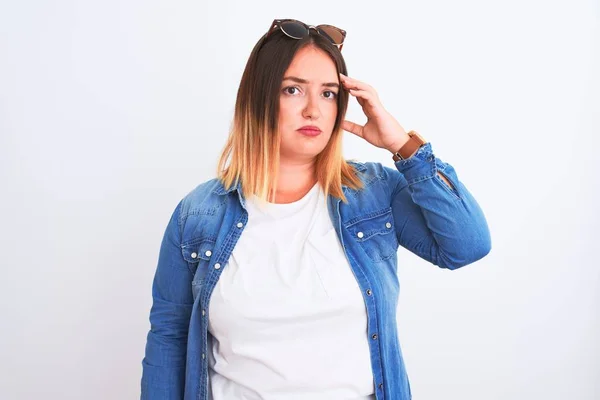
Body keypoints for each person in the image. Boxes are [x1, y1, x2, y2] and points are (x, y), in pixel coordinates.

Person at [140, 18, 491, 400]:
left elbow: (467, 245)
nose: (313, 110)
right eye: (293, 90)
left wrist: (402, 146)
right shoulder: (198, 215)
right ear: (258, 99)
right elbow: (169, 337)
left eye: (327, 94)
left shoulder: (372, 193)